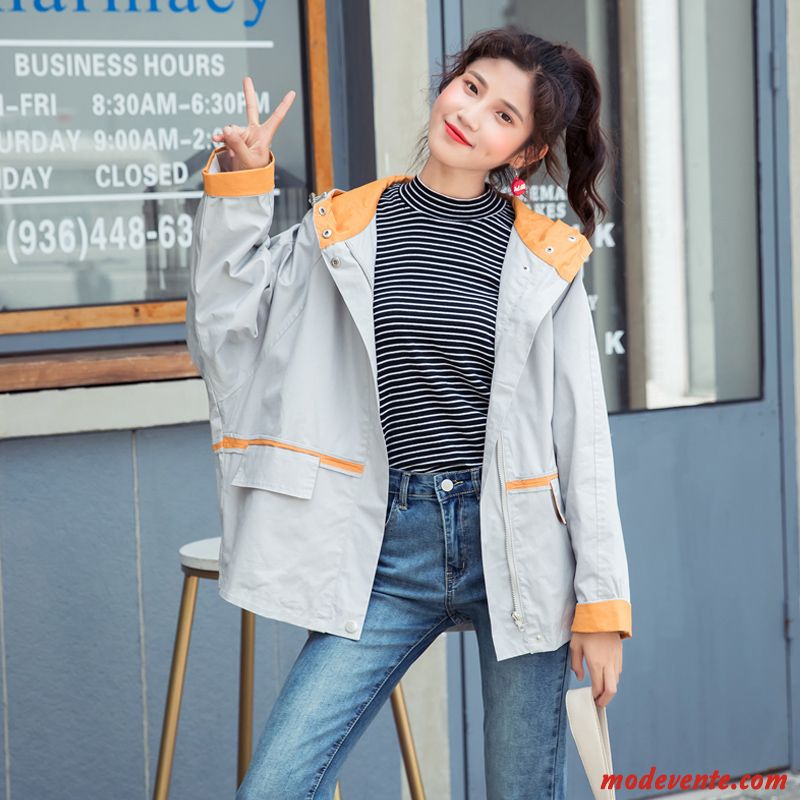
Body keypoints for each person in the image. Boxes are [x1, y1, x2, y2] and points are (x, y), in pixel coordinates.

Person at [188, 24, 631, 800]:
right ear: (446, 83)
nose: (473, 114)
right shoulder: (342, 228)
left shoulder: (544, 258)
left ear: (523, 153)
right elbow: (227, 334)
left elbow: (581, 443)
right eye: (471, 87)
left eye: (504, 115)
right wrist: (242, 189)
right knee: (274, 786)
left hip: (517, 546)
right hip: (386, 546)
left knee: (522, 790)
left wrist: (601, 606)